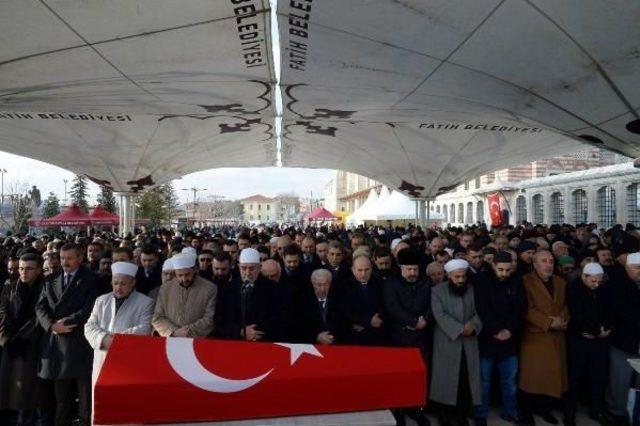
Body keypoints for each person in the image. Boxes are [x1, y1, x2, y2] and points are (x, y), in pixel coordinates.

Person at [36, 243, 99, 426]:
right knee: (61, 398)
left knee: (85, 397)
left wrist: (67, 323)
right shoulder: (50, 279)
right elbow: (40, 307)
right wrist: (51, 326)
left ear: (80, 258)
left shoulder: (90, 279)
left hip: (79, 342)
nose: (65, 262)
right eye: (62, 258)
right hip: (57, 343)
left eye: (70, 258)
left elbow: (90, 308)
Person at [84, 262, 154, 421]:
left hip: (130, 362)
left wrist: (115, 341)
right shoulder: (101, 300)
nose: (118, 287)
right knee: (102, 407)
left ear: (133, 283)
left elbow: (144, 329)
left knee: (127, 408)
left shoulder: (145, 302)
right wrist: (103, 339)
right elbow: (89, 326)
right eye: (115, 283)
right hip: (102, 358)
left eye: (123, 284)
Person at [474, 251, 526, 425]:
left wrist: (510, 331)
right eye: (501, 270)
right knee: (484, 381)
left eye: (508, 270)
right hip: (487, 339)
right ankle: (481, 415)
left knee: (509, 381)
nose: (505, 274)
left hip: (509, 341)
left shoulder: (516, 280)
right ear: (493, 266)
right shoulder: (481, 280)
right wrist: (496, 330)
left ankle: (510, 411)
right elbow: (481, 308)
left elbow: (520, 308)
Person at [519, 250, 569, 426]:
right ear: (535, 264)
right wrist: (548, 323)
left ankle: (545, 409)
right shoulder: (525, 281)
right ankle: (526, 412)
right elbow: (527, 308)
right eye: (544, 261)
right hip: (535, 336)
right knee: (532, 377)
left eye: (551, 261)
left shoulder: (560, 282)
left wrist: (562, 320)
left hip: (557, 336)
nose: (549, 264)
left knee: (552, 376)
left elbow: (565, 305)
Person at [0, 253, 51, 425]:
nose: (23, 272)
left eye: (29, 269)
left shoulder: (46, 289)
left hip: (33, 347)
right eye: (21, 268)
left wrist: (22, 338)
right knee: (8, 391)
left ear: (38, 270)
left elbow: (38, 318)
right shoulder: (10, 287)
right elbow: (3, 314)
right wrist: (6, 339)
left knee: (30, 394)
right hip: (10, 346)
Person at [430, 259, 482, 426]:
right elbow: (440, 316)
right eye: (457, 277)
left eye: (463, 276)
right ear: (449, 276)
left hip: (468, 344)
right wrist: (460, 329)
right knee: (445, 380)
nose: (460, 280)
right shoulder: (437, 291)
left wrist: (473, 326)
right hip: (447, 342)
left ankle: (461, 415)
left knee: (464, 381)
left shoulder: (472, 290)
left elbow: (479, 312)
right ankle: (444, 415)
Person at [384, 248, 432, 426]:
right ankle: (399, 411)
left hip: (421, 338)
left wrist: (425, 319)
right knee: (400, 376)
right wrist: (413, 321)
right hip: (399, 338)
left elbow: (431, 304)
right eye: (409, 269)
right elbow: (392, 307)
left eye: (415, 269)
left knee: (419, 375)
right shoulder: (391, 283)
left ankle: (416, 409)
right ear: (401, 268)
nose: (413, 273)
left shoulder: (426, 282)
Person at [564, 263, 612, 425]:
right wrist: (597, 331)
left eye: (599, 281)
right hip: (579, 341)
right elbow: (576, 314)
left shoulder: (603, 287)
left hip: (599, 342)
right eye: (593, 281)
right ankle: (569, 413)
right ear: (583, 277)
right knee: (574, 378)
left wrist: (606, 329)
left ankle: (596, 411)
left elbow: (610, 310)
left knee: (598, 378)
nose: (596, 284)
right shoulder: (572, 289)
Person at [214, 248, 277, 341]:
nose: (247, 273)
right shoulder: (227, 289)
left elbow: (279, 318)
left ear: (259, 267)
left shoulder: (273, 288)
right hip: (236, 343)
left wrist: (255, 332)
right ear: (239, 267)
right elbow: (220, 320)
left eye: (252, 268)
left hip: (264, 342)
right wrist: (241, 331)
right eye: (244, 268)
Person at [607, 252, 640, 425]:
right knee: (620, 379)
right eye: (636, 268)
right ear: (627, 268)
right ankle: (617, 412)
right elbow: (622, 311)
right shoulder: (618, 286)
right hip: (624, 341)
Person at [152, 253, 217, 338]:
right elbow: (157, 318)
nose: (184, 279)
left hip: (197, 341)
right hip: (170, 339)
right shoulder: (165, 289)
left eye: (187, 274)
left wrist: (188, 332)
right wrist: (174, 332)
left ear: (194, 270)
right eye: (180, 275)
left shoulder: (209, 288)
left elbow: (209, 319)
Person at [340, 255, 386, 346]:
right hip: (354, 336)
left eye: (366, 270)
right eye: (360, 270)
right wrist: (368, 321)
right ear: (353, 270)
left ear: (371, 269)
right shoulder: (344, 286)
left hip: (377, 336)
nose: (363, 274)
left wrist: (379, 318)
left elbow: (386, 306)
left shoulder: (380, 284)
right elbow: (346, 309)